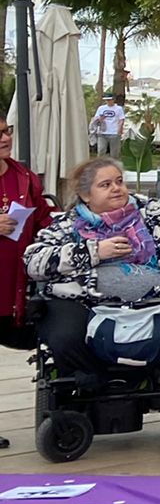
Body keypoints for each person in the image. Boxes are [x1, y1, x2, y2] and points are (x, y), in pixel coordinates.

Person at [25, 159, 160, 374]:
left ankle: (147, 373)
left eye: (119, 182)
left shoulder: (157, 212)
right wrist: (93, 252)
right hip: (88, 302)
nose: (116, 189)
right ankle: (91, 380)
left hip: (156, 298)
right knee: (64, 333)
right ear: (86, 195)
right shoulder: (67, 225)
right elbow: (33, 261)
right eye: (105, 185)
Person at [0, 119, 53, 347]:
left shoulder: (24, 177)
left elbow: (44, 218)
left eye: (6, 131)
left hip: (13, 296)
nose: (5, 138)